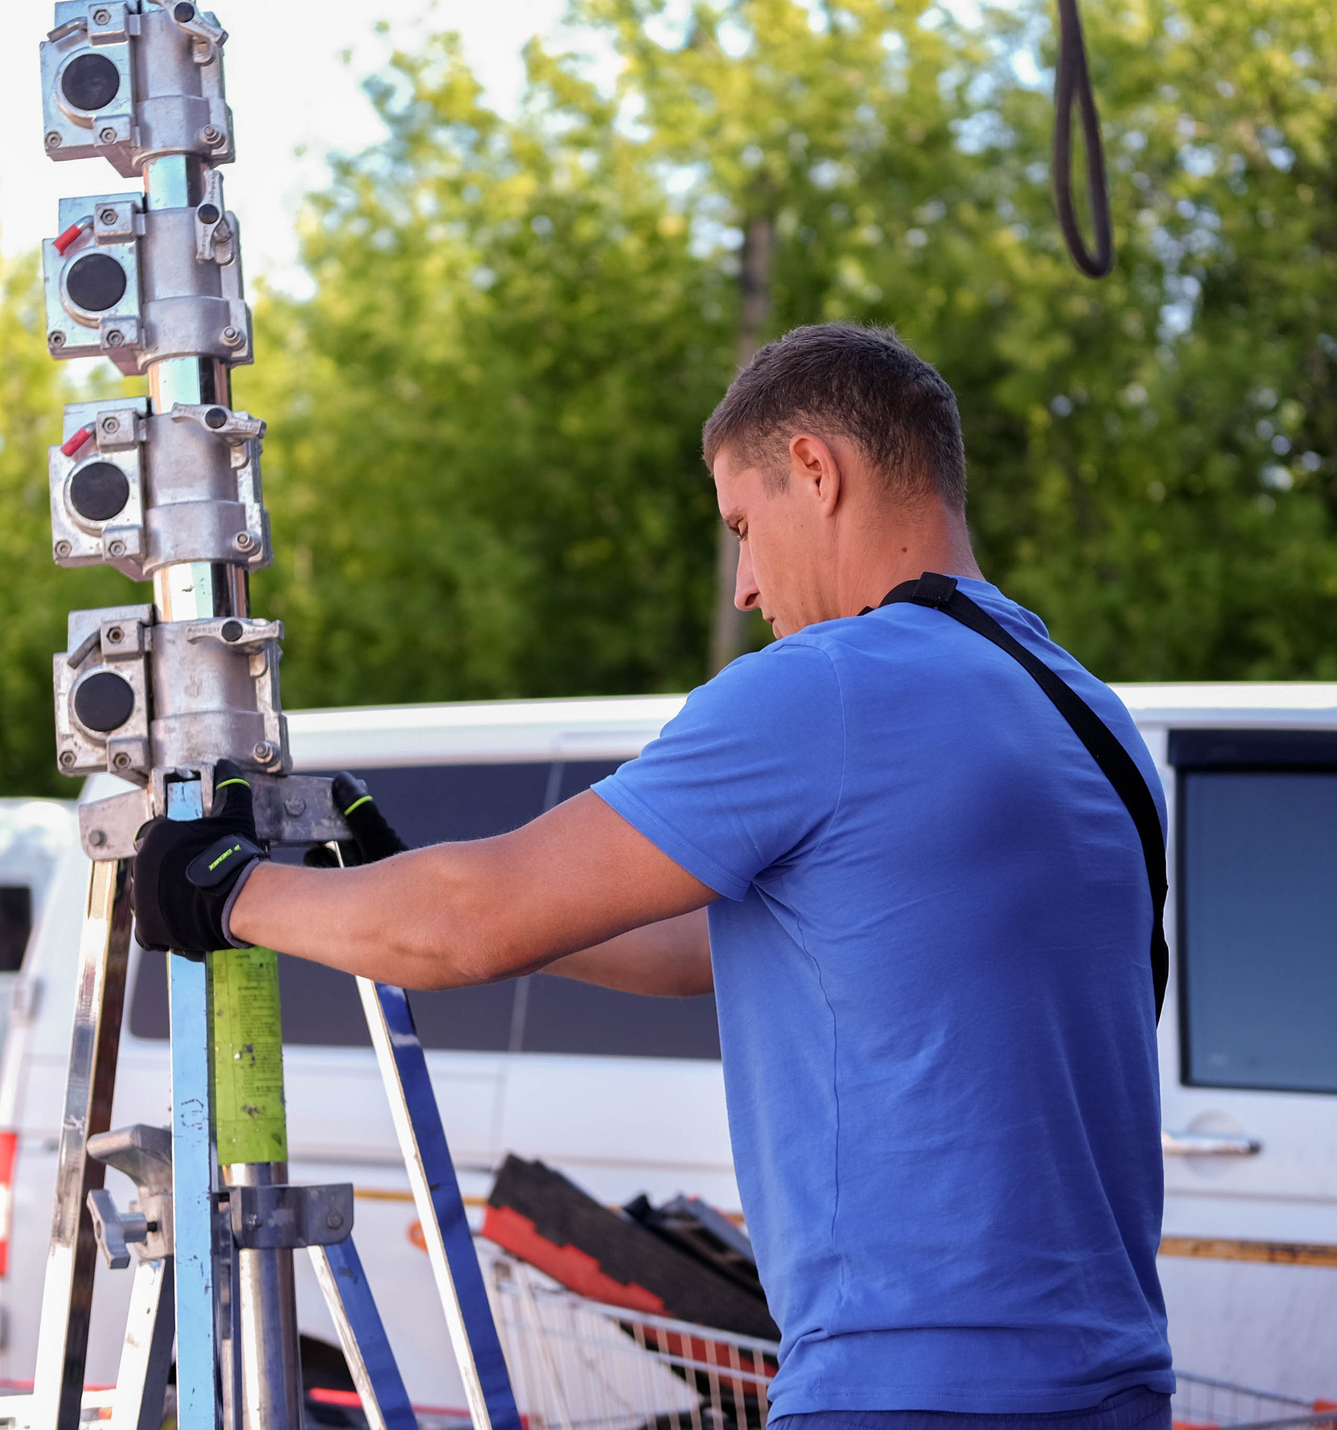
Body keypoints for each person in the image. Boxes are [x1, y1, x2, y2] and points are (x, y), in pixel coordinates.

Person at [133, 322, 1175, 1425]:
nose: (744, 585)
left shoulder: (828, 687)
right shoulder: (1080, 711)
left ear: (815, 471)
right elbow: (716, 945)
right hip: (1109, 1381)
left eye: (741, 524)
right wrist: (401, 887)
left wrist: (228, 891)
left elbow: (465, 925)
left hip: (907, 1387)